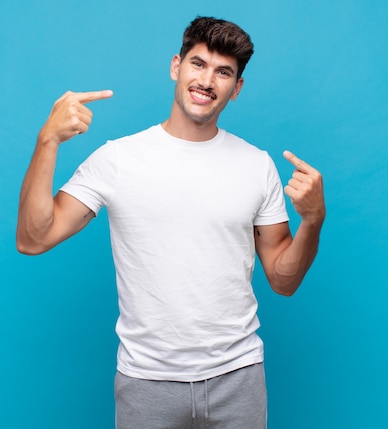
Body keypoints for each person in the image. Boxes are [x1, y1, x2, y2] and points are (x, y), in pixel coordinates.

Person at [17, 16, 325, 429]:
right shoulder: (117, 159)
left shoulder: (257, 165)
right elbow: (33, 239)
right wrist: (47, 141)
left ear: (237, 89)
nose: (207, 80)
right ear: (175, 67)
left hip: (238, 377)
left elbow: (283, 281)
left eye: (224, 72)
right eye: (198, 64)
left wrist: (313, 220)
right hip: (146, 382)